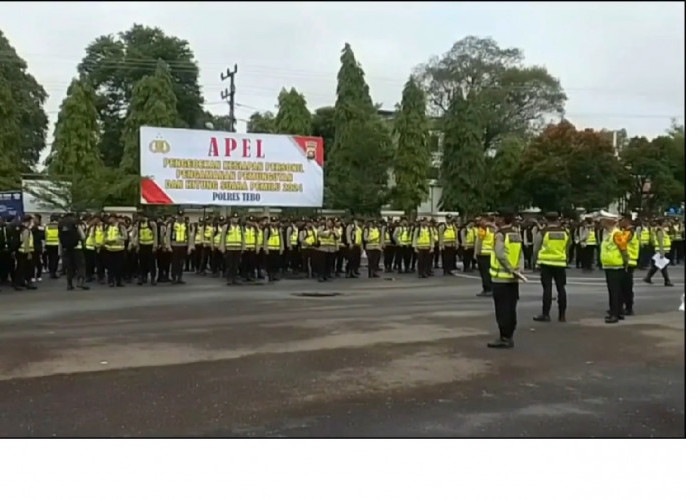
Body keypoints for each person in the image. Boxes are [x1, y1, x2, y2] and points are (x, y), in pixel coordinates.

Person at [487, 210, 524, 349]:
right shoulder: (516, 234)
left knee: (502, 309)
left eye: (497, 217)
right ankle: (509, 336)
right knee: (511, 308)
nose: (495, 219)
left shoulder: (500, 235)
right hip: (513, 279)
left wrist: (510, 269)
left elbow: (500, 254)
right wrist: (518, 269)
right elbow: (520, 253)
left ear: (502, 219)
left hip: (501, 278)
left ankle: (504, 337)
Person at [532, 212, 569, 323]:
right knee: (561, 289)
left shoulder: (543, 232)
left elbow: (536, 248)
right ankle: (562, 315)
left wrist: (535, 262)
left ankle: (546, 314)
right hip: (560, 263)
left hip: (546, 263)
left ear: (546, 220)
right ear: (557, 219)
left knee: (547, 289)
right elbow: (567, 247)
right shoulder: (565, 232)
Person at [600, 216, 628, 323]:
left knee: (614, 291)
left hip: (615, 266)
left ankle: (614, 314)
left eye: (603, 221)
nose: (601, 223)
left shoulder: (616, 234)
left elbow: (623, 248)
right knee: (617, 291)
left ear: (608, 222)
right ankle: (619, 312)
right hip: (610, 265)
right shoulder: (608, 233)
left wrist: (626, 262)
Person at [59, 212, 89, 291]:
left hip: (66, 248)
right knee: (81, 265)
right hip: (77, 247)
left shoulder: (61, 223)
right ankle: (81, 282)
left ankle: (69, 284)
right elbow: (82, 236)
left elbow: (60, 237)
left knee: (69, 267)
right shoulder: (75, 222)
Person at [643, 219, 673, 287]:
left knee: (655, 266)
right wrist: (662, 252)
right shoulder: (659, 231)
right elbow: (660, 241)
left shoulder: (663, 230)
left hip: (662, 251)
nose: (667, 223)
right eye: (665, 222)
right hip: (660, 251)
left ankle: (648, 278)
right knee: (663, 266)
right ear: (662, 223)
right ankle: (667, 281)